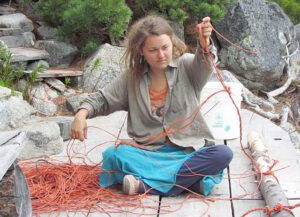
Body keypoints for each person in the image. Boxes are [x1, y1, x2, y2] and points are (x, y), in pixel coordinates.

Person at [70, 15, 233, 196]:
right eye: (153, 50)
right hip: (149, 154)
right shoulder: (131, 78)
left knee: (222, 154)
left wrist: (204, 42)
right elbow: (102, 100)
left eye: (165, 47)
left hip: (188, 152)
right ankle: (191, 182)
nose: (161, 55)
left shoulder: (187, 66)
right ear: (141, 51)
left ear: (172, 43)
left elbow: (205, 61)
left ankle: (146, 187)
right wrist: (81, 114)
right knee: (113, 155)